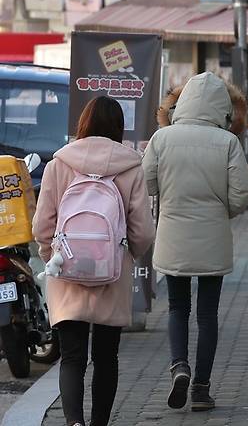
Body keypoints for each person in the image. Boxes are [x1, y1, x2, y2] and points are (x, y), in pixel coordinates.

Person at [33, 96, 155, 426]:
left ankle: (74, 422)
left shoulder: (60, 163)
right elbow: (142, 230)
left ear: (83, 123)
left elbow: (42, 223)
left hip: (66, 271)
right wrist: (128, 255)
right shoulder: (131, 166)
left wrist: (51, 257)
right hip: (111, 274)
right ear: (118, 128)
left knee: (72, 357)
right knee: (106, 356)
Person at [143, 72, 248, 412]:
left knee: (177, 308)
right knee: (207, 315)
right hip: (213, 238)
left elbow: (146, 182)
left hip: (172, 235)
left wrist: (166, 197)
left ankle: (180, 366)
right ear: (222, 107)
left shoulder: (162, 139)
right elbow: (242, 193)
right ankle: (202, 389)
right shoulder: (228, 143)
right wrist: (224, 212)